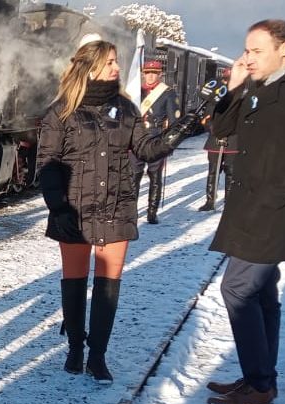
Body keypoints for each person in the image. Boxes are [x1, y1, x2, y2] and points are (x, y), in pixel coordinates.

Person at [36, 39, 197, 384]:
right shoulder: (61, 111)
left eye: (115, 61)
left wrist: (180, 133)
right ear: (90, 67)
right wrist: (58, 206)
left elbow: (146, 148)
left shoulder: (125, 108)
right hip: (74, 208)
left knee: (109, 283)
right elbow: (46, 164)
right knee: (75, 282)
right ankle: (75, 348)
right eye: (110, 62)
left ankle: (97, 355)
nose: (116, 67)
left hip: (116, 206)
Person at [204, 19, 285, 404]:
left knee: (237, 290)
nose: (248, 57)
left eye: (256, 51)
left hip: (273, 209)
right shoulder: (261, 81)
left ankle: (259, 384)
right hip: (249, 204)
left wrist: (272, 198)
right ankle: (260, 379)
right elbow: (222, 129)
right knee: (261, 293)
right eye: (246, 50)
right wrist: (235, 86)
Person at [132, 58, 181, 224]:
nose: (150, 77)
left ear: (159, 75)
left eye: (154, 73)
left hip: (155, 138)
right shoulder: (136, 91)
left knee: (154, 176)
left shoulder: (167, 93)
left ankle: (152, 212)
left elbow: (174, 121)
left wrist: (169, 144)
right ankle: (131, 212)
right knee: (134, 175)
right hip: (137, 138)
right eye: (147, 73)